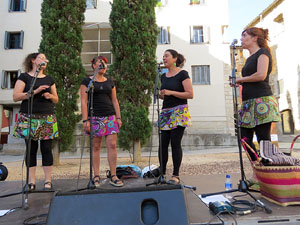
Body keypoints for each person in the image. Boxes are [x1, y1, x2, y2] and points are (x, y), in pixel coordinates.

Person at [13, 53, 59, 190]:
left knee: (46, 149)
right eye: (41, 57)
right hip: (29, 117)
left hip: (47, 117)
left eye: (45, 58)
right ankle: (31, 182)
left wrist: (50, 95)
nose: (44, 59)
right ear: (33, 60)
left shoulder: (49, 79)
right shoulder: (24, 77)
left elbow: (56, 99)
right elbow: (16, 96)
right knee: (31, 149)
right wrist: (35, 91)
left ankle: (48, 181)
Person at [234, 27, 281, 164]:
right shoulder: (249, 58)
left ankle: (269, 172)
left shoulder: (263, 53)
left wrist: (241, 79)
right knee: (244, 139)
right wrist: (240, 82)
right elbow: (252, 77)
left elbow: (261, 75)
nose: (241, 39)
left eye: (244, 35)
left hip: (262, 100)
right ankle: (257, 167)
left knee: (263, 140)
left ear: (254, 38)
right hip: (248, 102)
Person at [80, 56, 123, 187]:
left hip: (110, 116)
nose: (103, 64)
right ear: (93, 65)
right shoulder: (87, 81)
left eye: (105, 63)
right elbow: (83, 101)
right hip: (94, 117)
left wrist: (118, 117)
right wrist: (85, 120)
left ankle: (113, 175)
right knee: (96, 147)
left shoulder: (110, 82)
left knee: (112, 145)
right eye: (100, 62)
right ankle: (96, 175)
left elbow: (115, 100)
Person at [159, 49, 193, 184]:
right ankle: (161, 173)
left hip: (179, 112)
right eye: (163, 56)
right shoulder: (163, 76)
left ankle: (175, 175)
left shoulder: (183, 74)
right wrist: (162, 94)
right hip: (166, 111)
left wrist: (170, 92)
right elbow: (165, 95)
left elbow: (190, 94)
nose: (164, 58)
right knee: (162, 144)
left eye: (167, 56)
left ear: (175, 59)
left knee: (175, 143)